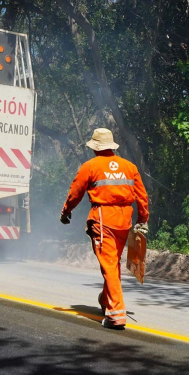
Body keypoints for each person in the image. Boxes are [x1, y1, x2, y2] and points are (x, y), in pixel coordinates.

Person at [60, 128, 149, 330]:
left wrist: (66, 212)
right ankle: (105, 300)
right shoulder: (129, 166)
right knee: (113, 262)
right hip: (125, 220)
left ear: (95, 148)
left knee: (109, 265)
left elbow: (75, 192)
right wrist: (142, 219)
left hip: (103, 219)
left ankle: (116, 316)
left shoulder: (90, 166)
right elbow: (142, 197)